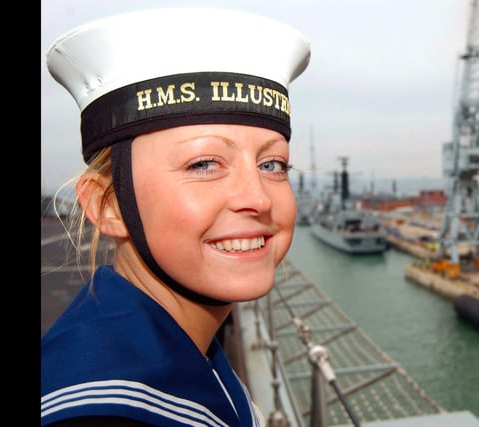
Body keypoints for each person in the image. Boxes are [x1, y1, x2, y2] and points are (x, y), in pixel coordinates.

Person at [41, 8, 311, 426]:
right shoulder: (104, 414)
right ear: (107, 205)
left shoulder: (180, 355)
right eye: (204, 164)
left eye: (273, 164)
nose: (257, 198)